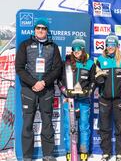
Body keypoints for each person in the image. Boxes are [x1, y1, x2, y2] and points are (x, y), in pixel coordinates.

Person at [15, 18, 62, 161]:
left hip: (46, 90)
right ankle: (27, 156)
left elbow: (57, 69)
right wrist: (34, 83)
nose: (40, 30)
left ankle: (48, 155)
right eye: (38, 28)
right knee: (28, 123)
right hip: (29, 90)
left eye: (43, 28)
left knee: (47, 122)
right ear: (34, 30)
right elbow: (20, 68)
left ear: (47, 31)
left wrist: (44, 82)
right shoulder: (25, 45)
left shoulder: (53, 47)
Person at [59, 37, 96, 161]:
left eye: (79, 48)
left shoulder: (90, 63)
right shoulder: (67, 63)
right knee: (69, 126)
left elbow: (93, 81)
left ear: (83, 50)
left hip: (84, 100)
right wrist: (65, 91)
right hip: (69, 100)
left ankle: (84, 150)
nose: (76, 51)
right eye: (74, 49)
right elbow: (59, 80)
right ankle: (70, 151)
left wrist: (88, 91)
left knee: (84, 126)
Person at [95, 33, 121, 161]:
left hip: (119, 98)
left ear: (116, 45)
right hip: (104, 98)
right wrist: (99, 80)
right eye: (108, 44)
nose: (110, 47)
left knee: (120, 127)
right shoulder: (100, 59)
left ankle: (120, 152)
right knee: (104, 127)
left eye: (112, 44)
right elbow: (95, 76)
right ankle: (106, 152)